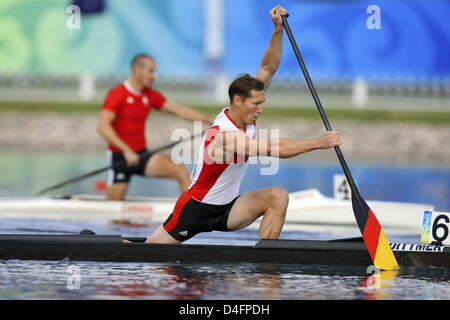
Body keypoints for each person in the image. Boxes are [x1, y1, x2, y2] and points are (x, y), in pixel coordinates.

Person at [147, 5, 341, 244]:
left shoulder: (247, 110)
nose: (260, 109)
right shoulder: (224, 135)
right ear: (237, 101)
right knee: (151, 254)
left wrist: (277, 29)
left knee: (277, 196)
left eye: (262, 103)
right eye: (255, 104)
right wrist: (318, 143)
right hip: (195, 210)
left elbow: (269, 68)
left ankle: (266, 261)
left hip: (228, 209)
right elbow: (271, 149)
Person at [98, 54, 213, 200]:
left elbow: (178, 110)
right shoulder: (117, 94)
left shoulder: (150, 95)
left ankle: (189, 215)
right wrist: (126, 150)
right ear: (137, 70)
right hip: (120, 158)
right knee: (115, 215)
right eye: (151, 71)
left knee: (180, 170)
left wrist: (210, 121)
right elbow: (103, 126)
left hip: (141, 155)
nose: (154, 76)